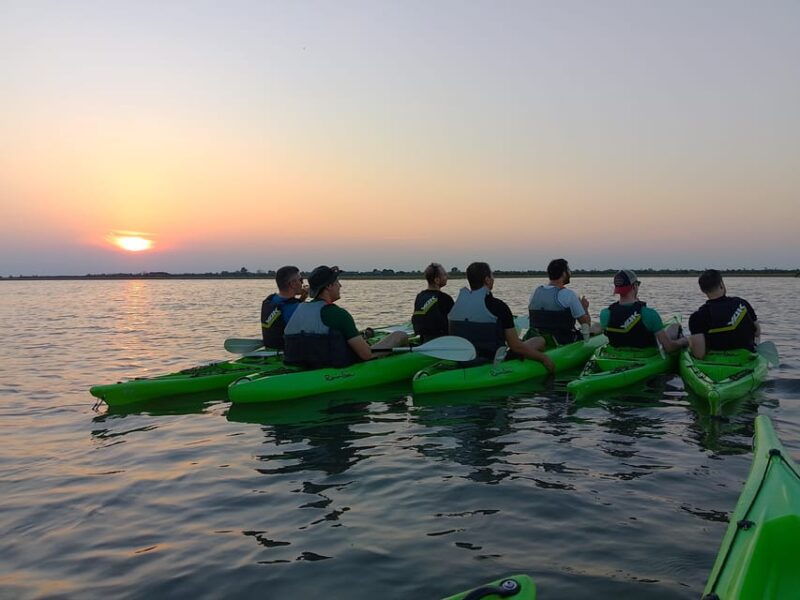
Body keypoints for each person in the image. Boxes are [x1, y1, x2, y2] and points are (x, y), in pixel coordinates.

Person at [283, 265, 408, 368]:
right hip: (332, 366)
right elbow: (366, 355)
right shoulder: (338, 314)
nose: (340, 286)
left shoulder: (300, 308)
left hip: (302, 363)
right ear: (329, 286)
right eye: (337, 282)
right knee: (399, 335)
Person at [449, 262, 555, 373]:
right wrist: (544, 359)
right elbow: (515, 346)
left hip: (463, 361)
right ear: (487, 280)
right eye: (492, 276)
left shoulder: (457, 306)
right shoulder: (499, 306)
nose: (493, 279)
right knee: (540, 340)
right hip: (492, 361)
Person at [599, 270, 687, 352]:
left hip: (616, 353)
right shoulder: (649, 314)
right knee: (675, 327)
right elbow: (669, 347)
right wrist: (684, 341)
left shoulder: (605, 313)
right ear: (634, 286)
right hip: (646, 354)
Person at [688, 269, 760, 359]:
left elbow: (699, 354)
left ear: (703, 290)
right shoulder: (742, 303)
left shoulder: (697, 317)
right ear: (722, 284)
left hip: (716, 361)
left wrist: (690, 343)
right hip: (745, 357)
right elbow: (757, 331)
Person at [528, 258, 595, 344]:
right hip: (562, 340)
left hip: (535, 336)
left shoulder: (535, 291)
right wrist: (585, 308)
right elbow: (585, 324)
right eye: (568, 270)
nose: (570, 273)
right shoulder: (569, 294)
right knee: (597, 326)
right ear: (564, 273)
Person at [261, 265, 308, 350]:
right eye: (301, 280)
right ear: (293, 284)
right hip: (286, 352)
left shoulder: (271, 299)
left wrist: (302, 298)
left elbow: (286, 308)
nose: (302, 283)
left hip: (270, 347)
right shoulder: (296, 308)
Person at [412, 262, 454, 343]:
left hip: (424, 338)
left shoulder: (420, 296)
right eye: (445, 275)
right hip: (441, 339)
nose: (447, 276)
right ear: (437, 280)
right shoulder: (445, 298)